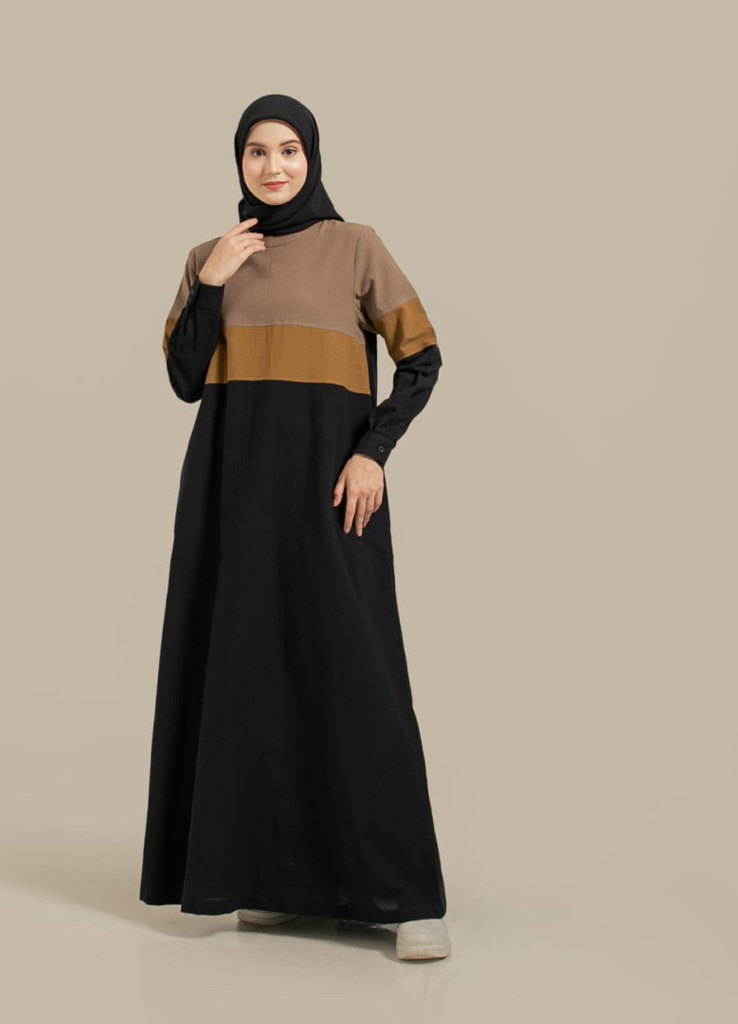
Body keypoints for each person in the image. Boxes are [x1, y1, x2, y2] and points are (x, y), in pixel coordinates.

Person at [139, 94, 450, 961]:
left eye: (287, 150)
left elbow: (421, 358)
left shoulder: (356, 246)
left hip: (330, 496)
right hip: (231, 498)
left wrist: (373, 453)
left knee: (357, 678)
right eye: (255, 152)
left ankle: (406, 899)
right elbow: (185, 380)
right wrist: (212, 281)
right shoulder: (208, 257)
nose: (272, 167)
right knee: (248, 679)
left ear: (311, 156)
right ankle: (273, 881)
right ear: (238, 162)